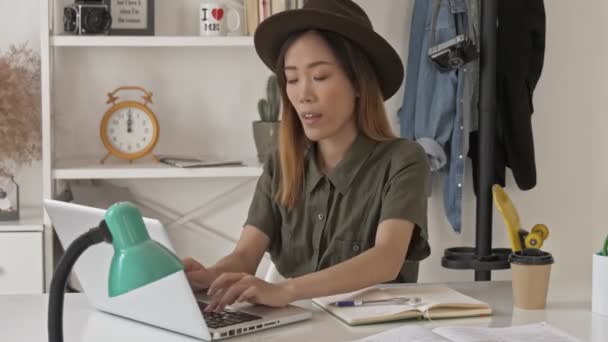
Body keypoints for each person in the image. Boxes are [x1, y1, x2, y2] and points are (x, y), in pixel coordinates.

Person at [183, 0, 431, 313]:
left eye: (320, 77)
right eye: (292, 78)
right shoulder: (281, 165)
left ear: (358, 83)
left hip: (379, 329)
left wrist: (286, 290)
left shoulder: (404, 160)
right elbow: (245, 256)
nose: (303, 95)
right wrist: (210, 277)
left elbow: (386, 258)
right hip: (300, 326)